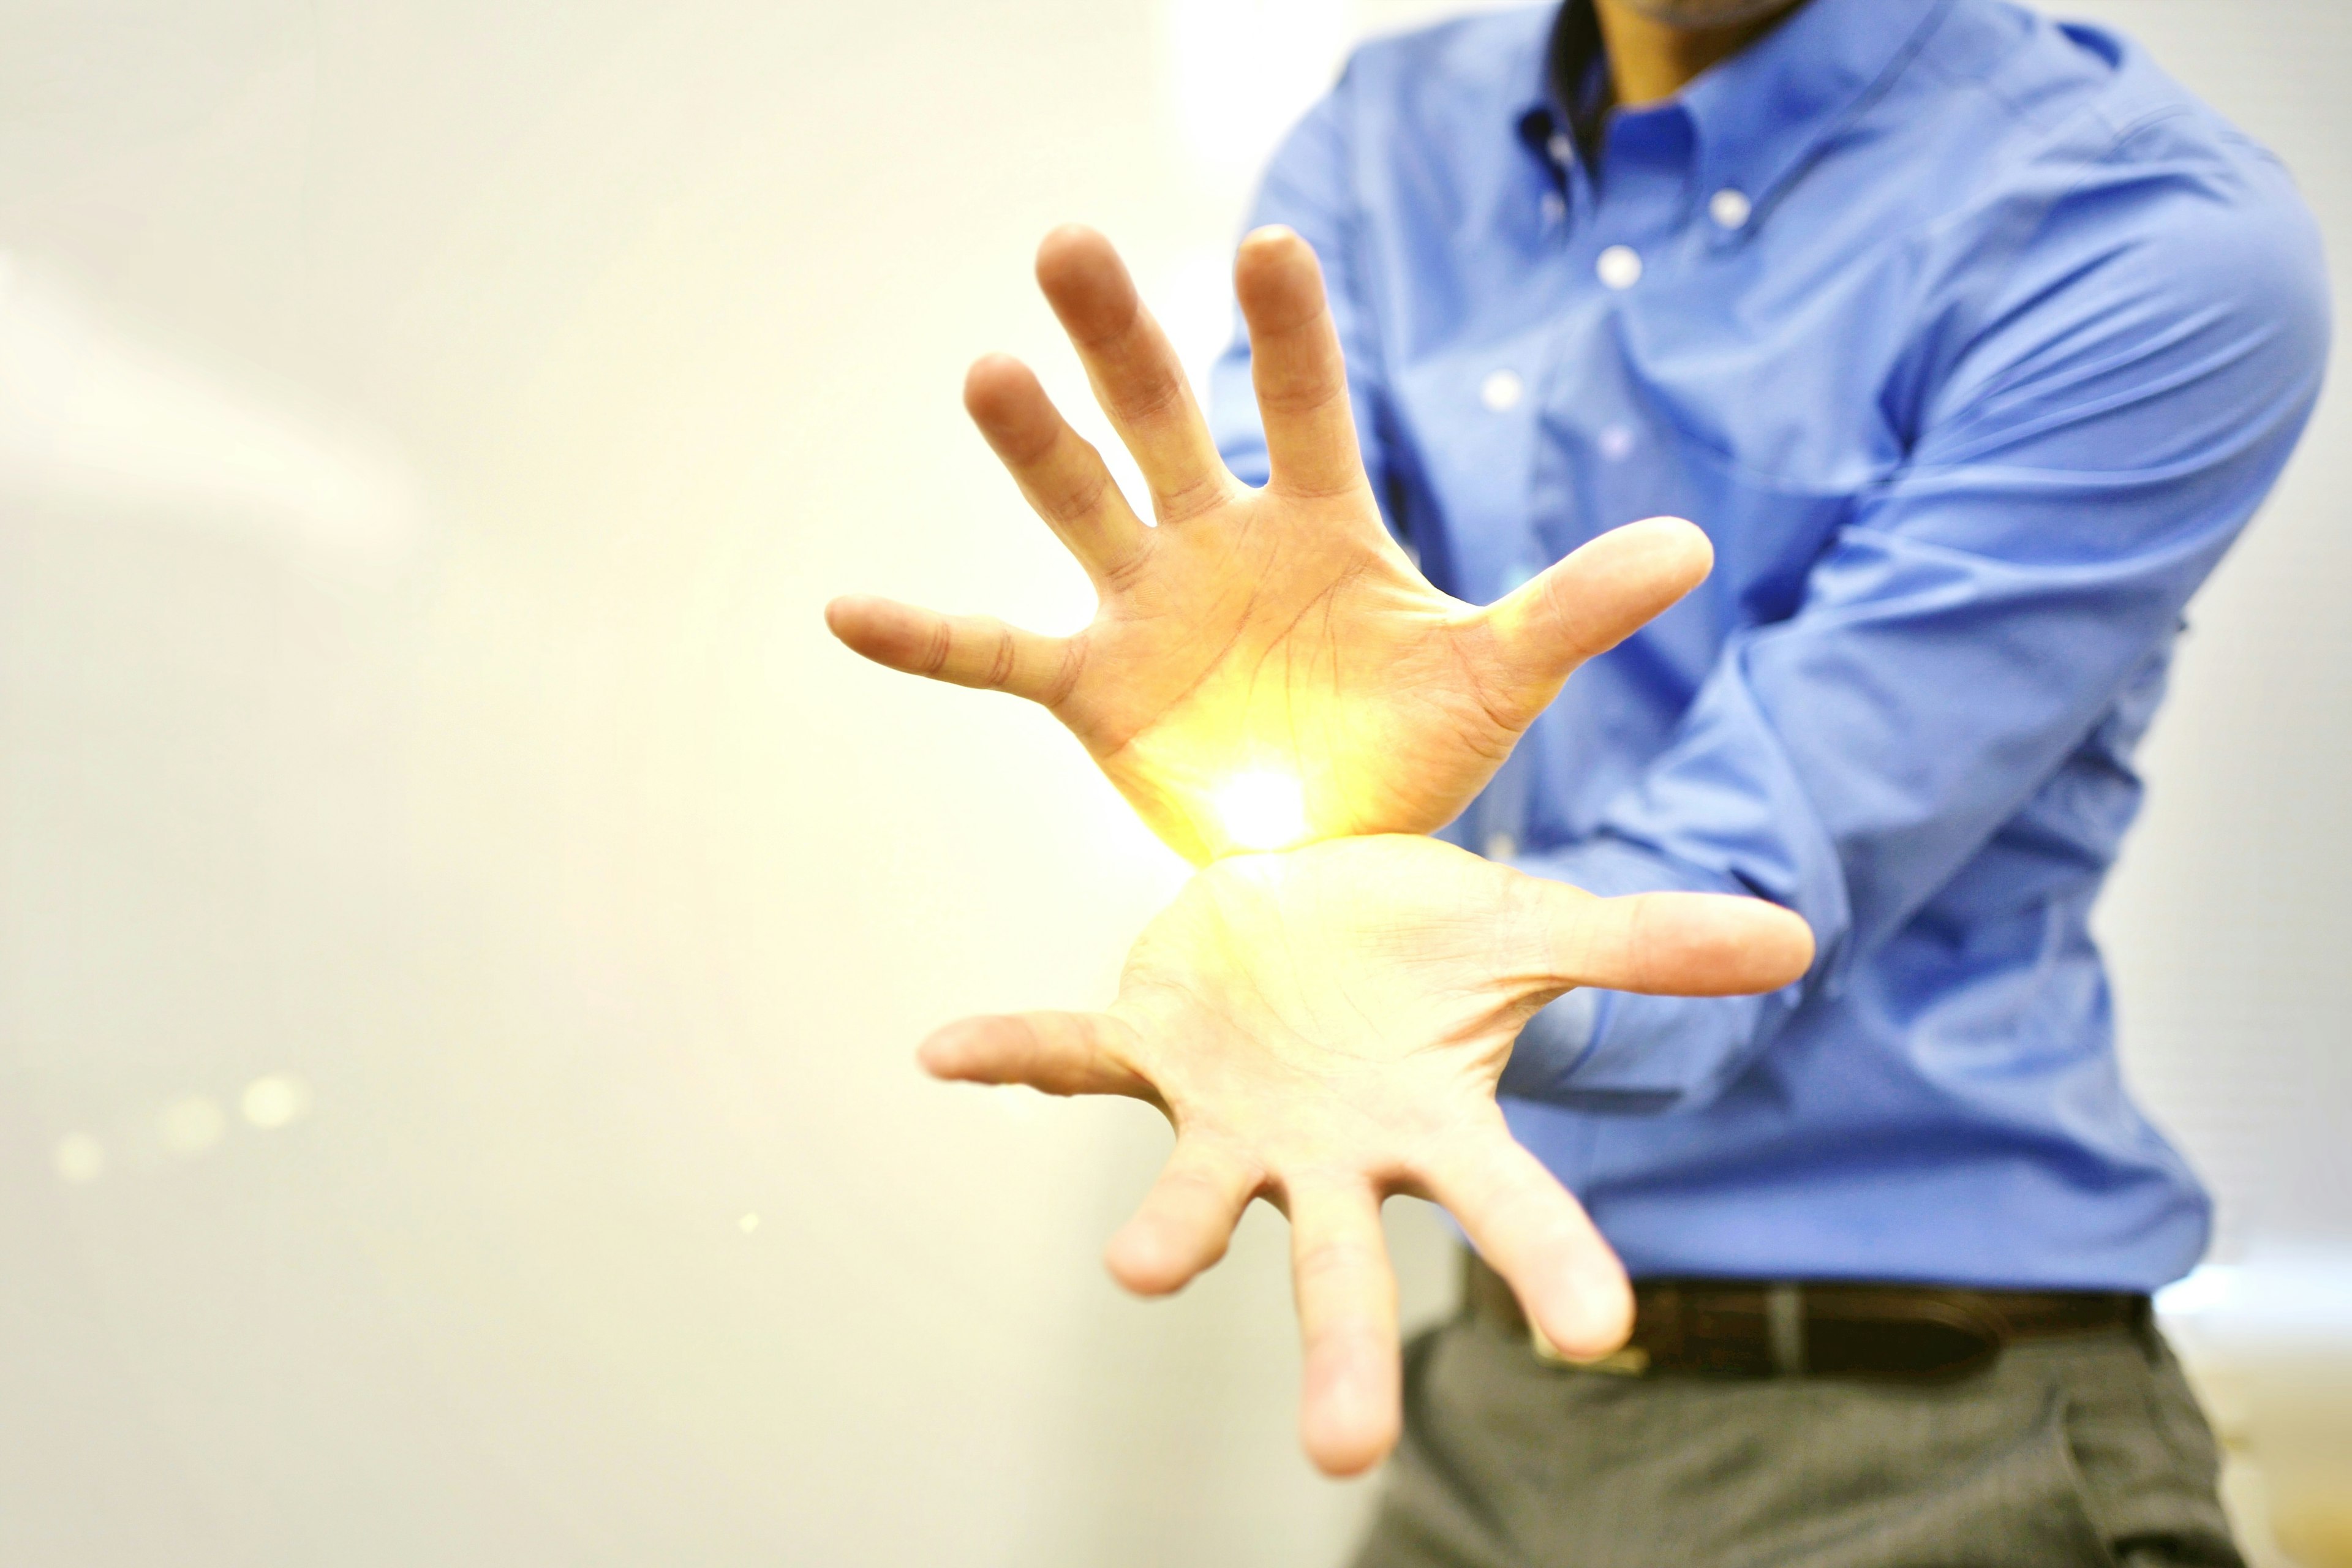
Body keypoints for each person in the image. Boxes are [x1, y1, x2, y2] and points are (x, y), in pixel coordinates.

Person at [829, 0, 2328, 1559]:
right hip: (1491, 1407)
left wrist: (1449, 971)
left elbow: (1750, 876)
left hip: (1941, 1440)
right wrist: (1268, 778)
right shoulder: (1388, 130)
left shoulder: (2144, 237)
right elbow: (1293, 645)